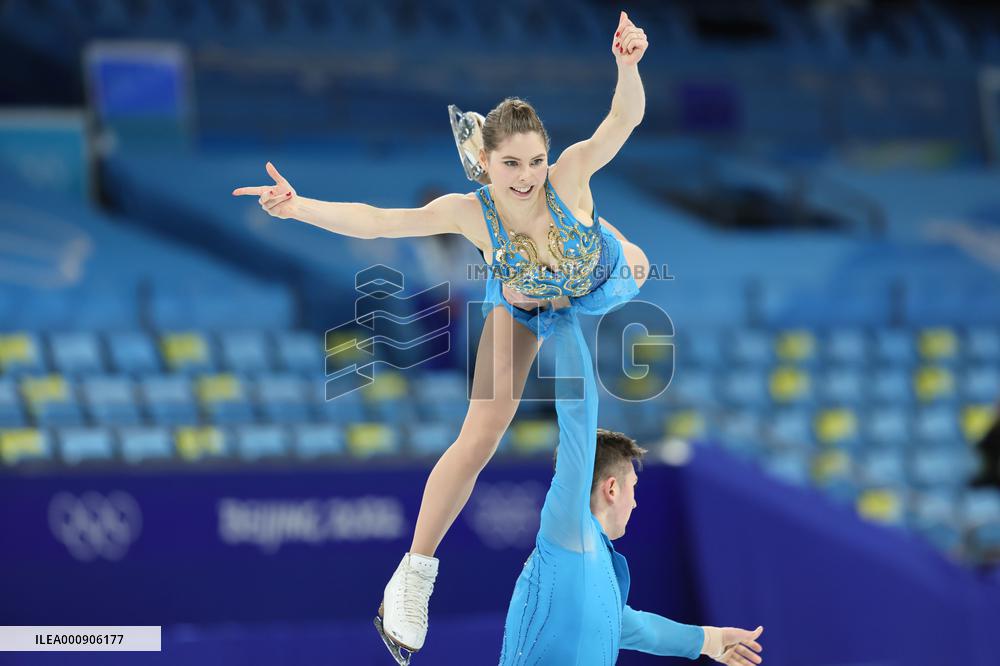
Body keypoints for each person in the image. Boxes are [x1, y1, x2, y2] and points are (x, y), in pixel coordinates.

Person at [233, 11, 652, 662]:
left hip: (600, 279)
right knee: (480, 433)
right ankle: (413, 576)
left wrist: (628, 66)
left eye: (533, 161)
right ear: (487, 165)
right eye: (511, 164)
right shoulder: (470, 211)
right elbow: (377, 222)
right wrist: (299, 205)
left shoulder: (567, 177)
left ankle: (601, 246)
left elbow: (621, 121)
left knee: (639, 264)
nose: (527, 176)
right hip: (524, 305)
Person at [499, 310, 764, 665]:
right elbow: (578, 417)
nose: (636, 503)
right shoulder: (570, 532)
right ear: (611, 489)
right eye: (633, 487)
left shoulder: (596, 572)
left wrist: (713, 640)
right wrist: (562, 316)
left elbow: (639, 628)